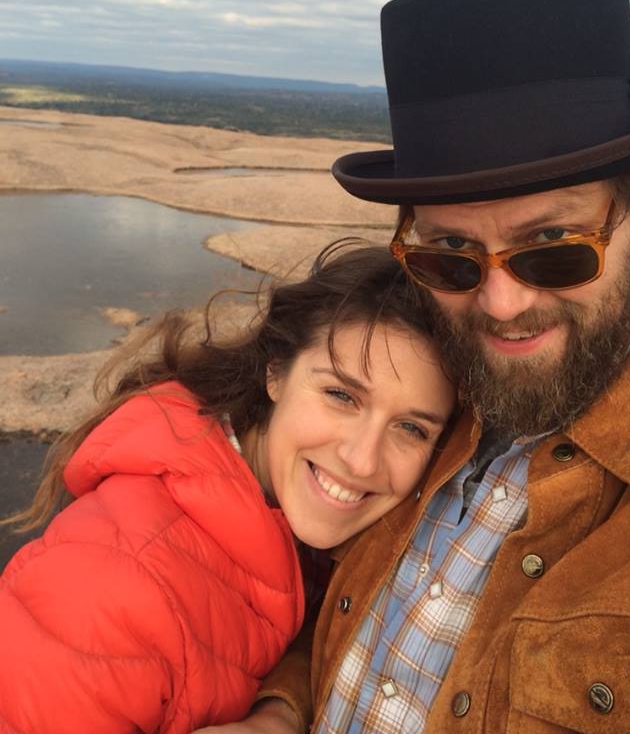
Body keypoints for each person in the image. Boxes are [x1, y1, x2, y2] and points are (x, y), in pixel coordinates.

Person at [215, 0, 630, 734]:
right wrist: (281, 713)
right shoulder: (424, 390)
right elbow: (353, 609)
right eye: (452, 253)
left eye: (552, 246)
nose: (501, 304)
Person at [0, 245, 456, 734]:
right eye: (341, 395)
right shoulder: (105, 590)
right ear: (275, 372)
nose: (362, 459)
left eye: (411, 428)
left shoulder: (305, 530)